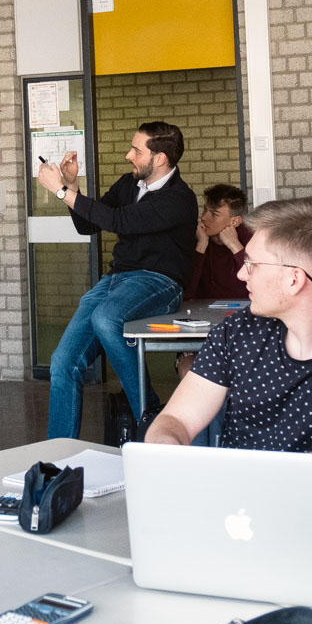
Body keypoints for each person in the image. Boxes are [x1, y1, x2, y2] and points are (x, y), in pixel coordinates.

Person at [146, 197, 312, 501]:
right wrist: (165, 447)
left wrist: (239, 476)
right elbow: (177, 419)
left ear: (294, 279)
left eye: (252, 264)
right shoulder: (236, 333)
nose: (241, 274)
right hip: (237, 519)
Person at [37, 122, 197, 439]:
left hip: (159, 282)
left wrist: (60, 191)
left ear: (161, 158)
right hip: (115, 282)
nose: (128, 155)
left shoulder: (179, 198)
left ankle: (147, 409)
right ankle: (56, 455)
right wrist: (73, 187)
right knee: (62, 362)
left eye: (137, 150)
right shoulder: (128, 185)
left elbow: (118, 221)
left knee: (107, 317)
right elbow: (89, 225)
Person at [176, 184, 252, 379]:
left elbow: (262, 285)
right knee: (189, 370)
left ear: (235, 221)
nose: (204, 218)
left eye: (214, 214)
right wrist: (201, 246)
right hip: (199, 331)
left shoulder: (252, 240)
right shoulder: (194, 241)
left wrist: (235, 246)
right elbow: (186, 293)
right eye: (204, 211)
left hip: (243, 330)